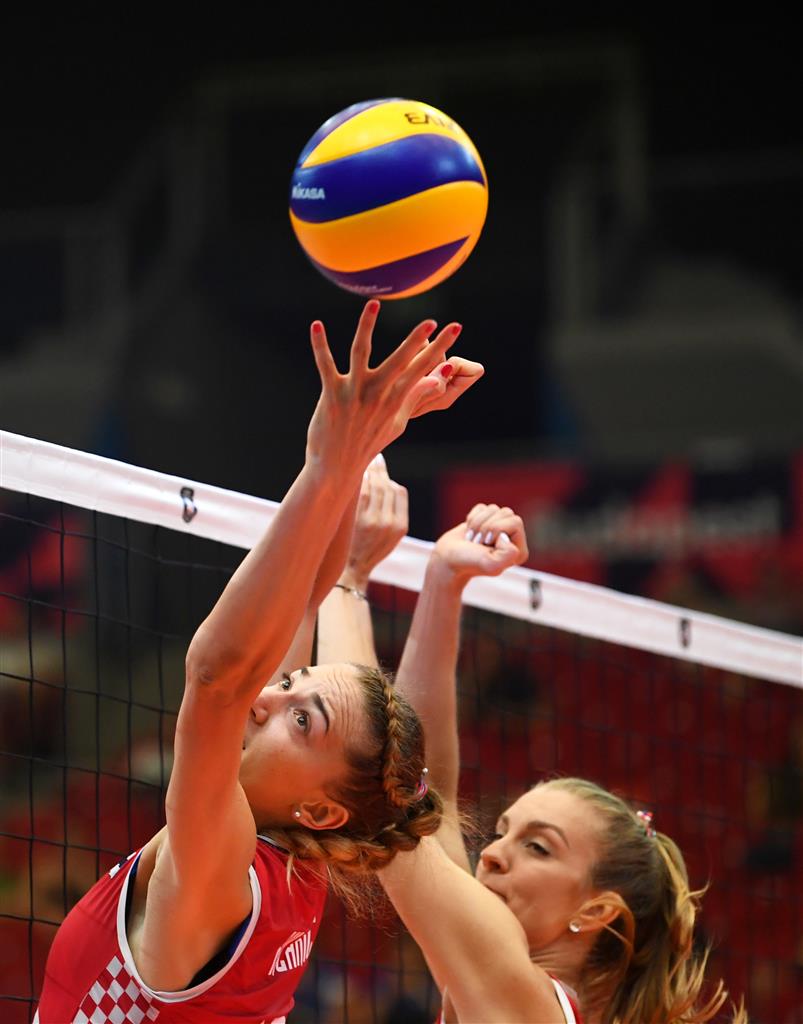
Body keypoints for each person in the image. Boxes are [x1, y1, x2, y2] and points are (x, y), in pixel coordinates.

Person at [34, 301, 481, 1024]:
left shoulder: (222, 868)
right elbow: (301, 603)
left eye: (302, 719)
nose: (269, 699)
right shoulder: (302, 862)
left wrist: (330, 462)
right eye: (293, 685)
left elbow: (219, 680)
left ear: (323, 808)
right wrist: (360, 447)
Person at [320, 479, 747, 1024]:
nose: (492, 855)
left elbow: (389, 796)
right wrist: (444, 583)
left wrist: (348, 576)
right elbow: (432, 793)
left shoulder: (525, 1002)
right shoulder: (494, 987)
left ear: (596, 911)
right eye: (502, 833)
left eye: (539, 848)